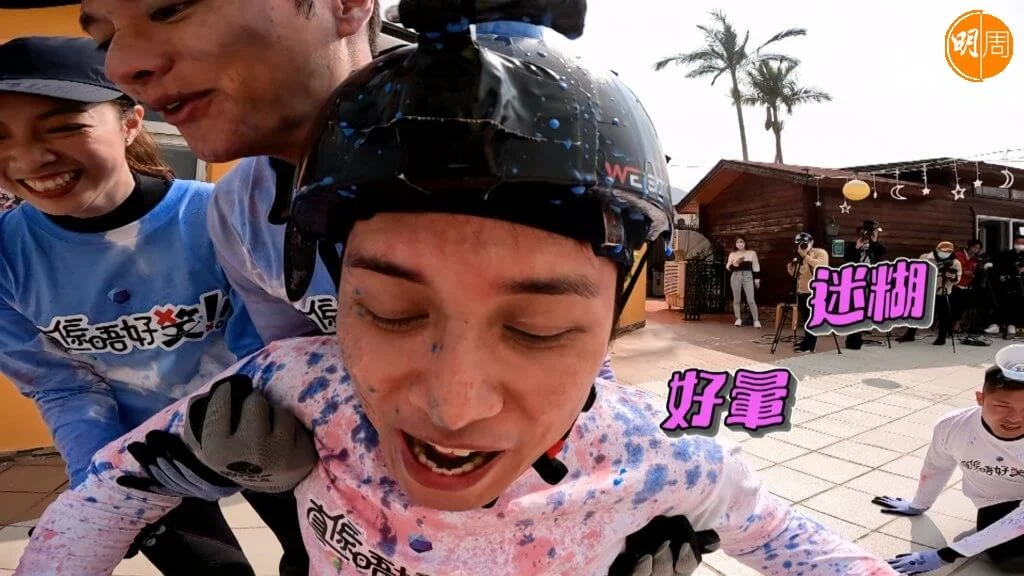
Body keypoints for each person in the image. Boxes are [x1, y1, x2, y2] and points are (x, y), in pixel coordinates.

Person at [15, 31, 897, 576]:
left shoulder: (662, 465)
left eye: (538, 328)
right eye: (390, 312)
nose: (453, 405)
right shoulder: (295, 388)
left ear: (613, 313)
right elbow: (99, 500)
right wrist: (178, 473)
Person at [0, 36, 267, 575]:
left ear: (131, 123)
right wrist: (98, 485)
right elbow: (62, 384)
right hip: (146, 457)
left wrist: (254, 435)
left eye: (64, 126)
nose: (28, 158)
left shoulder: (218, 217)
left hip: (264, 431)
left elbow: (267, 348)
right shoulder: (7, 258)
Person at [871, 350, 1024, 574]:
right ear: (980, 399)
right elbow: (937, 466)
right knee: (1008, 559)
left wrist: (946, 555)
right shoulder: (953, 427)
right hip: (998, 501)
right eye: (1002, 406)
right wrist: (918, 505)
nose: (1016, 418)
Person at [896, 241, 961, 346]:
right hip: (925, 290)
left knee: (943, 315)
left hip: (942, 291)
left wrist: (951, 276)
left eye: (948, 252)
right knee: (916, 313)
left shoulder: (955, 262)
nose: (945, 253)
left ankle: (942, 337)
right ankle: (910, 334)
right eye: (943, 251)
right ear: (937, 249)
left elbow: (957, 279)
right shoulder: (925, 257)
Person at [844, 220, 886, 350]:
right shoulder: (852, 246)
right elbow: (848, 260)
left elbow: (881, 253)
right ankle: (853, 339)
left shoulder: (877, 246)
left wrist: (874, 241)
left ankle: (859, 334)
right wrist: (856, 248)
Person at [788, 232, 830, 353]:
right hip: (802, 291)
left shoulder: (820, 253)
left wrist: (805, 256)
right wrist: (793, 262)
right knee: (806, 319)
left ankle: (810, 345)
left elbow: (821, 266)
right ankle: (806, 342)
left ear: (811, 243)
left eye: (805, 243)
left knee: (812, 319)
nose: (803, 246)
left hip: (816, 291)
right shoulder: (798, 256)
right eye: (800, 244)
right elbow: (795, 274)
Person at [985, 236, 1024, 340]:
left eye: (1022, 243)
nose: (1020, 245)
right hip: (1008, 284)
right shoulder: (1007, 254)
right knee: (1004, 303)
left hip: (1021, 284)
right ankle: (999, 325)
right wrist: (1001, 275)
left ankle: (1013, 325)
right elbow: (999, 266)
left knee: (1019, 305)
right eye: (1018, 242)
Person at [726, 236, 761, 328]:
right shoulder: (732, 254)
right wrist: (736, 263)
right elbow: (728, 267)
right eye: (737, 242)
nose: (739, 243)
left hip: (748, 275)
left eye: (741, 241)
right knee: (736, 299)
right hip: (735, 275)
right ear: (735, 244)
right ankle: (738, 318)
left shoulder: (751, 253)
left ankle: (756, 320)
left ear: (745, 242)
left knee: (751, 299)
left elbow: (756, 266)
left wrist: (757, 279)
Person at [952, 239, 983, 331]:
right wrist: (964, 271)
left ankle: (958, 325)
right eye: (974, 247)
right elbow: (957, 268)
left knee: (963, 306)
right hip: (956, 284)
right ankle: (950, 325)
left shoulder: (975, 259)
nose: (976, 250)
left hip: (967, 285)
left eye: (978, 248)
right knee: (954, 305)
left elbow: (974, 271)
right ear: (969, 247)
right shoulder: (959, 255)